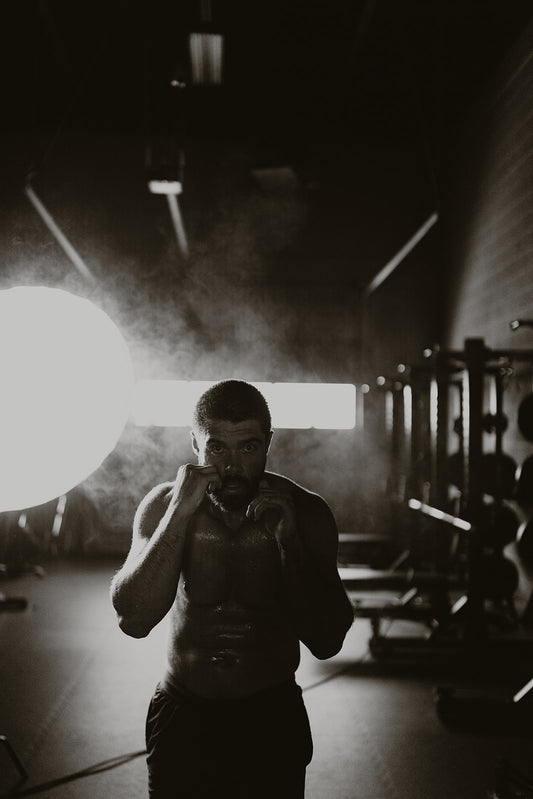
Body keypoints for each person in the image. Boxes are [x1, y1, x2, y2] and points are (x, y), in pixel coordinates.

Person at [110, 379, 354, 799]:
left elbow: (327, 640)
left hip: (270, 715)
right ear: (194, 443)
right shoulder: (162, 506)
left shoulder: (307, 513)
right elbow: (133, 619)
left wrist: (289, 545)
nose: (232, 466)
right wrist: (178, 516)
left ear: (268, 443)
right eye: (217, 447)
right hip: (183, 710)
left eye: (248, 447)